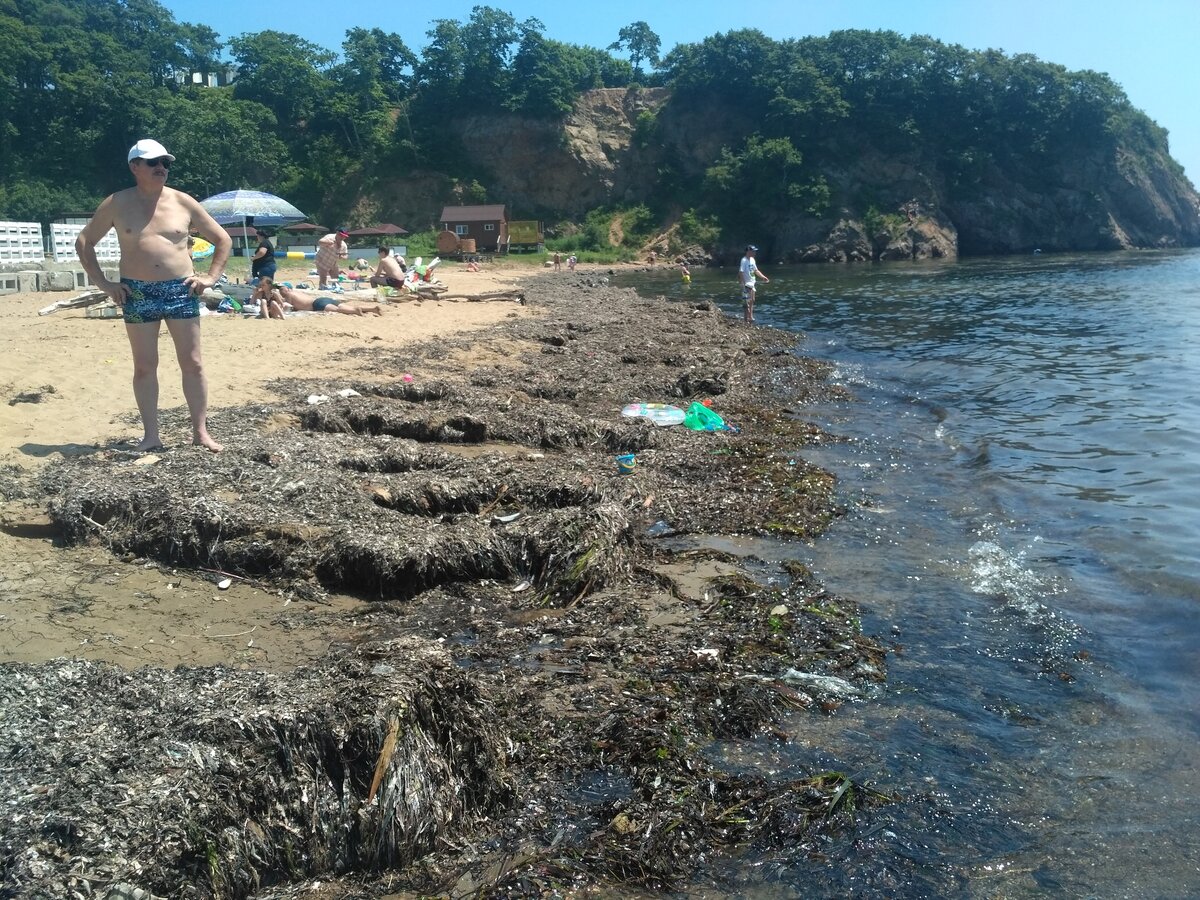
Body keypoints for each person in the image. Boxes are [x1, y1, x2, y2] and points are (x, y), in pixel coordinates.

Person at [75, 138, 231, 453]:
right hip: (137, 291)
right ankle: (151, 436)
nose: (161, 168)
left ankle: (200, 432)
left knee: (193, 362)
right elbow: (84, 241)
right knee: (145, 365)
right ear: (135, 166)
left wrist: (210, 277)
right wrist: (105, 284)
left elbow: (222, 239)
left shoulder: (183, 201)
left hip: (180, 289)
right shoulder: (117, 203)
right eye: (153, 162)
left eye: (165, 163)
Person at [275, 284, 383, 317]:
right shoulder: (298, 292)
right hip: (322, 299)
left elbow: (288, 307)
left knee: (338, 310)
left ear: (288, 289)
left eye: (282, 289)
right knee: (342, 307)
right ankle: (372, 309)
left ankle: (355, 311)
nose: (281, 291)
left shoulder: (289, 295)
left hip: (317, 304)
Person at [738, 244, 769, 325]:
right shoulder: (744, 260)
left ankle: (750, 316)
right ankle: (746, 318)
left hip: (752, 282)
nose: (755, 252)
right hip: (747, 283)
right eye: (753, 251)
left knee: (752, 300)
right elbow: (741, 272)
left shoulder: (752, 259)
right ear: (748, 251)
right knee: (747, 301)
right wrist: (743, 284)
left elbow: (756, 270)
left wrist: (763, 277)